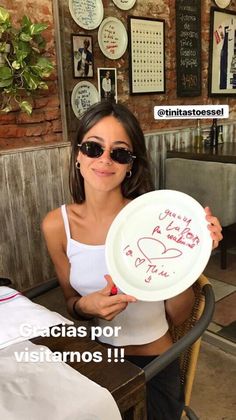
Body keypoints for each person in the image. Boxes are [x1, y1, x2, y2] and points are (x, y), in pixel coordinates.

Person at [42, 102, 222, 420]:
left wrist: (190, 261)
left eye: (119, 152)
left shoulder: (154, 217)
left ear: (130, 164)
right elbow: (71, 303)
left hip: (153, 364)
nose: (105, 160)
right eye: (94, 148)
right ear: (78, 155)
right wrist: (88, 307)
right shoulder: (57, 226)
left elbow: (179, 318)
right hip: (95, 361)